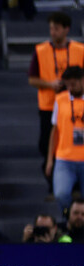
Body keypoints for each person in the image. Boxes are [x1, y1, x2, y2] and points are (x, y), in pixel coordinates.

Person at [30, 13, 84, 194]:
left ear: (67, 29)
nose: (53, 32)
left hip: (78, 104)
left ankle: (76, 186)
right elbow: (32, 79)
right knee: (47, 144)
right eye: (51, 28)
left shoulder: (80, 49)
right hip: (49, 105)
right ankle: (53, 183)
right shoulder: (41, 50)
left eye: (57, 28)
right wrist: (50, 84)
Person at [46, 65, 84, 215]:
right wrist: (50, 159)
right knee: (61, 194)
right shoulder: (60, 99)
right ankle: (69, 219)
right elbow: (54, 131)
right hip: (65, 158)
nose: (70, 88)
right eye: (68, 85)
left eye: (73, 84)